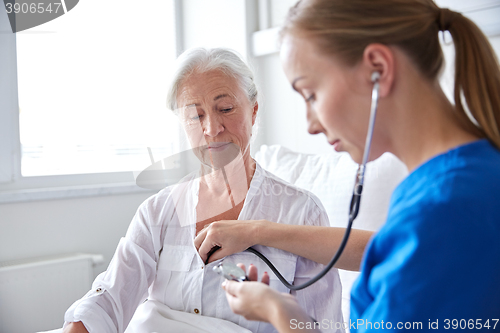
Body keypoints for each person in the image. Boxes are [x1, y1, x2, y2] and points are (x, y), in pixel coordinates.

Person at [194, 0, 500, 331]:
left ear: (378, 69)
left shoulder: (444, 211)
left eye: (310, 94)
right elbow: (386, 247)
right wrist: (259, 232)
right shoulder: (465, 180)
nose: (310, 124)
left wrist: (278, 312)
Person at [62, 47, 358, 333]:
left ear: (253, 112)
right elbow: (109, 299)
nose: (212, 128)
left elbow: (322, 326)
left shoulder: (300, 212)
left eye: (225, 109)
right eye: (195, 115)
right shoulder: (158, 212)